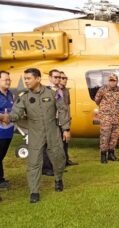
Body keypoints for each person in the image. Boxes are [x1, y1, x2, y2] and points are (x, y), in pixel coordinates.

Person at [0, 68, 71, 203]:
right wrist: (5, 117)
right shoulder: (24, 97)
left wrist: (66, 129)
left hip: (53, 131)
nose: (26, 81)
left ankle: (58, 179)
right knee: (34, 163)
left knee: (58, 158)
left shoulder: (53, 93)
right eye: (25, 79)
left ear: (38, 79)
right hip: (35, 133)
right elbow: (16, 114)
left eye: (29, 78)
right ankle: (34, 191)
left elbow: (62, 110)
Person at [95, 73, 119, 163]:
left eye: (114, 81)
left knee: (114, 137)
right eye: (111, 80)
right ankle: (103, 155)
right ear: (108, 81)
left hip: (116, 117)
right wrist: (105, 109)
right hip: (106, 118)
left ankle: (111, 154)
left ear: (117, 81)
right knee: (105, 137)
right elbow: (97, 100)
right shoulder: (102, 89)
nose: (112, 82)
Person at [42, 69, 63, 176]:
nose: (58, 79)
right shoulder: (45, 90)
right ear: (50, 78)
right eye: (55, 77)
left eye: (59, 77)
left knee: (55, 145)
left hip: (57, 121)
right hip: (48, 122)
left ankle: (54, 167)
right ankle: (46, 168)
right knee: (46, 145)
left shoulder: (59, 90)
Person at [59, 71, 78, 166]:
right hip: (57, 121)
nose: (64, 80)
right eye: (62, 78)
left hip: (66, 120)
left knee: (65, 141)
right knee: (58, 143)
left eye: (65, 78)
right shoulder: (54, 91)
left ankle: (66, 160)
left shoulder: (66, 91)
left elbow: (67, 106)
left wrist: (68, 118)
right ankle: (60, 162)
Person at [0, 71, 14, 189]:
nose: (8, 81)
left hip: (8, 132)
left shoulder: (10, 94)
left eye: (9, 79)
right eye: (6, 79)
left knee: (1, 156)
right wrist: (2, 117)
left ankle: (1, 179)